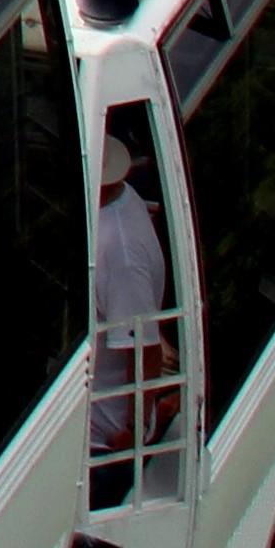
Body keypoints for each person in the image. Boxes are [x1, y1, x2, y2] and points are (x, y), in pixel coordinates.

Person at [90, 123, 182, 504]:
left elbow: (146, 349)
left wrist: (134, 431)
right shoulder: (125, 198)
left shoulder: (120, 253)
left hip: (104, 441)